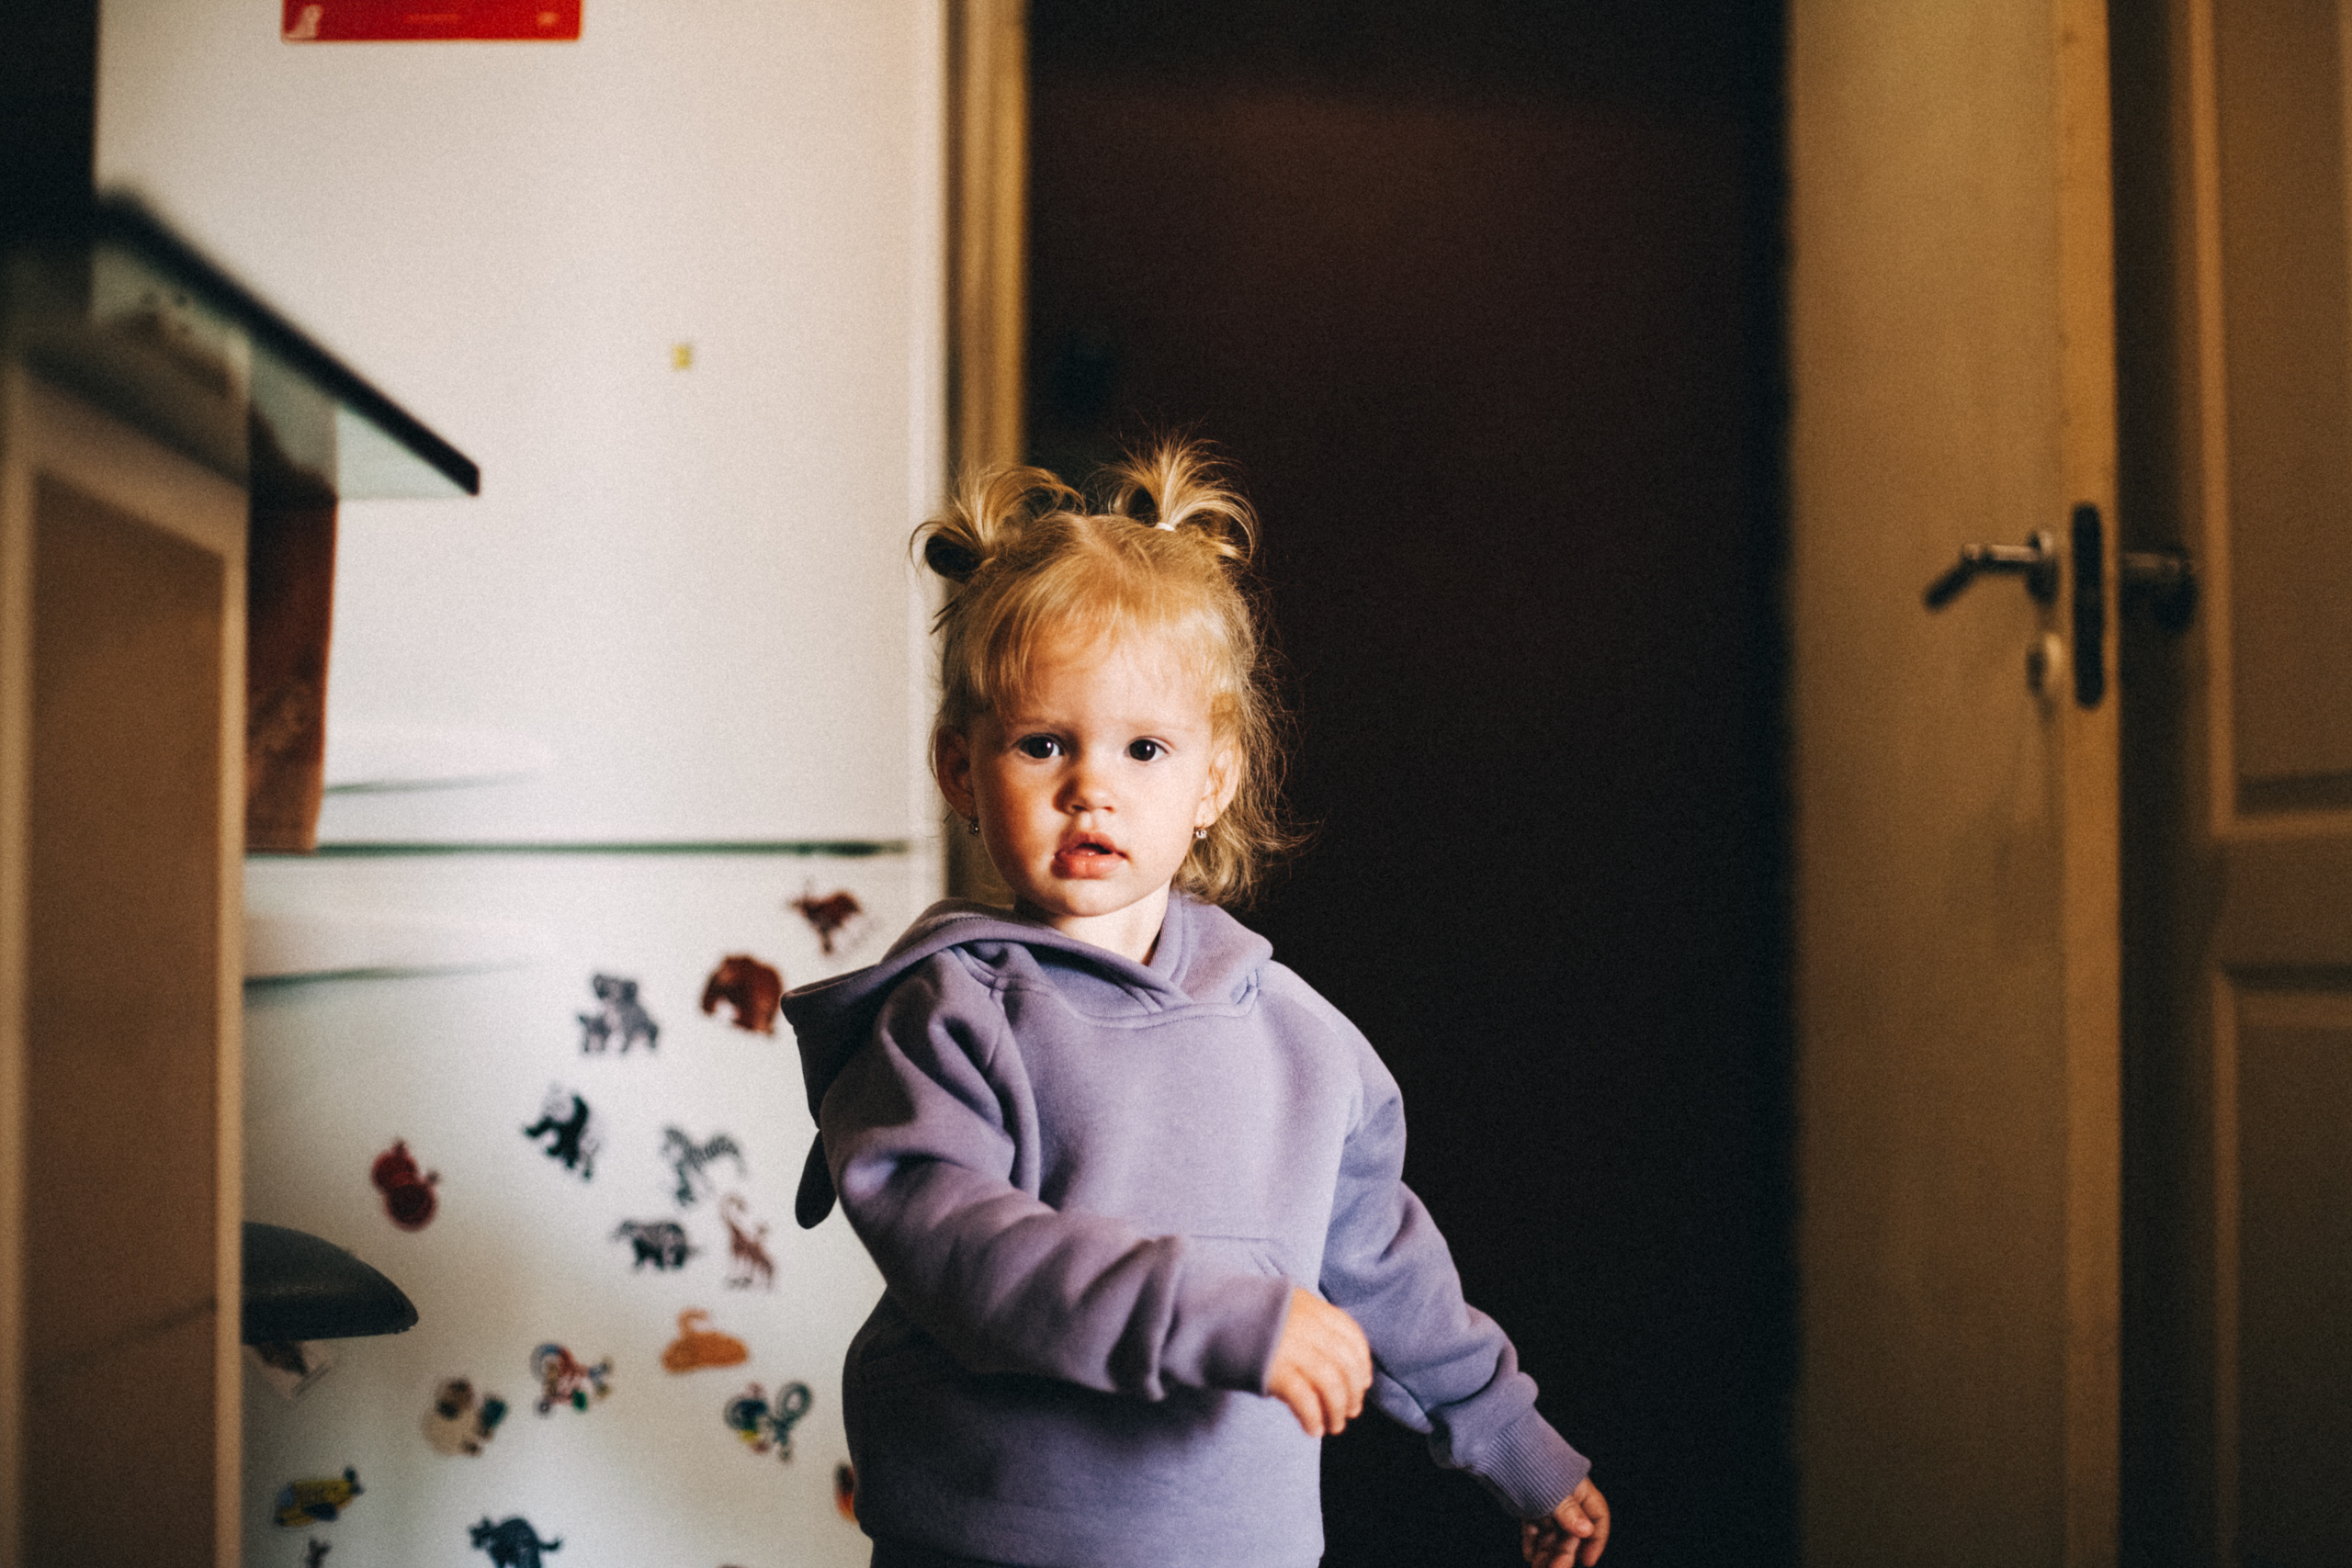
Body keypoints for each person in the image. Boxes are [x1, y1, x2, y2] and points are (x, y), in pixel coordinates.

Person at [784, 444, 1609, 1568]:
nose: (1092, 785)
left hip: (1235, 1541)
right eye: (1042, 744)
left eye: (1144, 747)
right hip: (994, 1538)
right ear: (960, 772)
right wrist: (1207, 1312)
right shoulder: (945, 1015)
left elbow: (1378, 1264)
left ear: (1212, 780)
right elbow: (962, 1253)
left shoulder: (1300, 1039)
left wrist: (1510, 1439)